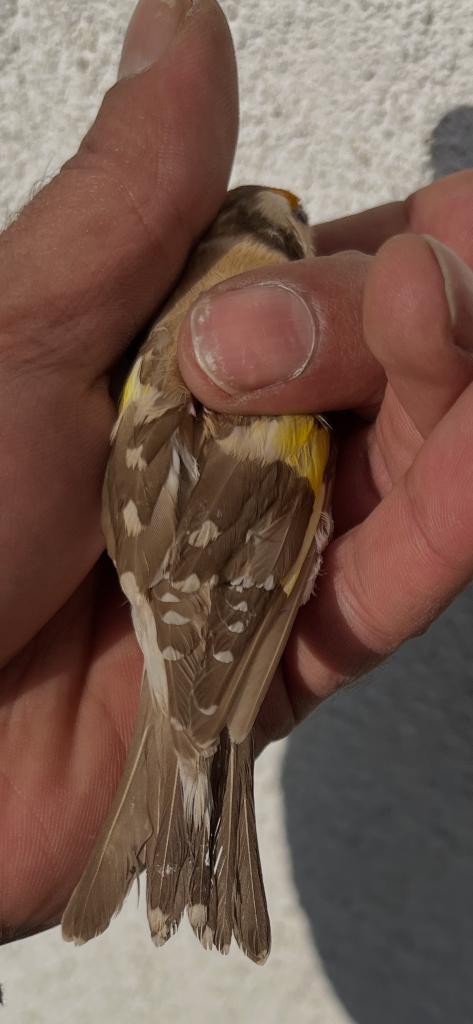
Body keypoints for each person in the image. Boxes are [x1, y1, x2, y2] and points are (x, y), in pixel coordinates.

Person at [1, 0, 472, 942]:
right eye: (292, 223)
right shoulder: (199, 341)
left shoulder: (162, 350)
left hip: (158, 586)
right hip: (183, 599)